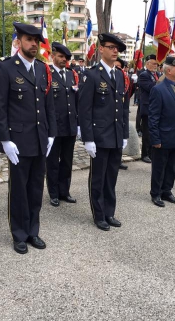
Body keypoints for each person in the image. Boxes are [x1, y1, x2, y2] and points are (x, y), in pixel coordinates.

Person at [0, 22, 56, 254]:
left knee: (36, 188)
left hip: (39, 140)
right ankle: (19, 233)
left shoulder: (42, 69)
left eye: (37, 41)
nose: (34, 45)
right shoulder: (6, 68)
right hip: (18, 141)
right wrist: (5, 140)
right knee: (19, 190)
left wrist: (51, 134)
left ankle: (33, 231)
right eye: (29, 40)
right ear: (19, 42)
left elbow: (49, 105)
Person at [78, 33, 129, 231]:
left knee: (111, 178)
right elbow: (85, 109)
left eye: (117, 48)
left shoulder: (118, 74)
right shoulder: (91, 75)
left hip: (115, 135)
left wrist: (124, 133)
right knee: (98, 178)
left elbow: (123, 108)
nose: (115, 51)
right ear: (101, 49)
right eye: (111, 47)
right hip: (99, 136)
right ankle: (99, 215)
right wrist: (88, 138)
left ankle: (110, 212)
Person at [148, 57, 175, 207]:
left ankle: (167, 191)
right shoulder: (158, 89)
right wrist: (155, 139)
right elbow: (153, 117)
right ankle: (156, 193)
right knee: (159, 166)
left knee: (172, 166)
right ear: (168, 70)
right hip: (163, 136)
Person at [46, 42, 79, 207]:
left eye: (65, 57)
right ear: (53, 56)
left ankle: (64, 191)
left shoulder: (72, 74)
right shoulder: (48, 74)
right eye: (60, 56)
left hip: (70, 125)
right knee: (52, 162)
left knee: (67, 161)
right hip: (55, 126)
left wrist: (78, 123)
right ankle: (53, 193)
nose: (63, 60)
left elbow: (76, 100)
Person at [138, 54, 159, 164]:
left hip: (155, 108)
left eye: (156, 64)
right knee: (146, 132)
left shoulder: (157, 74)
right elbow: (151, 88)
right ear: (147, 64)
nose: (156, 65)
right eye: (153, 63)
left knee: (153, 131)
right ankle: (145, 154)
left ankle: (152, 153)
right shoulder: (144, 75)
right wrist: (160, 82)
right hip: (147, 107)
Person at [115, 57, 131, 170]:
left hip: (120, 119)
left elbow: (127, 100)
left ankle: (118, 159)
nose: (117, 69)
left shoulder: (124, 80)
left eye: (119, 67)